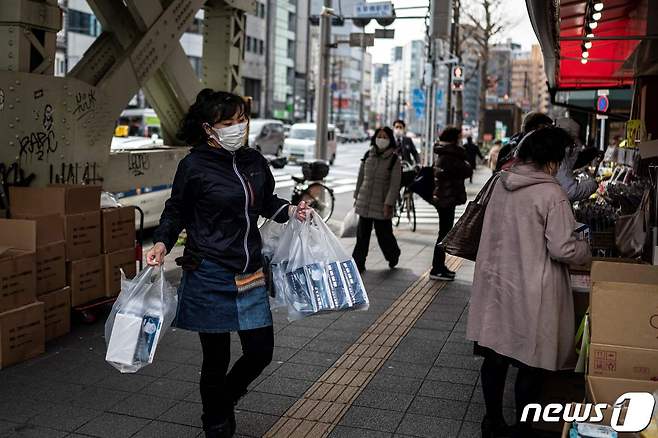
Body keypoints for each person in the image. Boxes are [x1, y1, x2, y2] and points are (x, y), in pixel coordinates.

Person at [146, 89, 309, 438]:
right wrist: (162, 241)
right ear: (209, 128)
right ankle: (215, 420)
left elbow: (266, 202)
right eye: (228, 122)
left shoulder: (253, 161)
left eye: (242, 120)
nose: (239, 127)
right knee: (216, 359)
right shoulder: (194, 166)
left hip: (249, 272)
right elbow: (176, 211)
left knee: (260, 352)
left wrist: (293, 210)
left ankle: (224, 401)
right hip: (209, 271)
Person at [466, 126, 591, 438]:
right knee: (531, 361)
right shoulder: (552, 194)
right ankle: (523, 427)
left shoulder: (500, 183)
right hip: (532, 287)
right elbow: (563, 248)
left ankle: (492, 422)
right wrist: (586, 249)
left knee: (496, 355)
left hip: (496, 282)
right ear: (553, 159)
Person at [353, 127, 402, 272]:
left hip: (382, 203)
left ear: (390, 140)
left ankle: (393, 255)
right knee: (362, 235)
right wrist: (357, 196)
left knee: (384, 235)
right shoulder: (368, 154)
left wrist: (389, 203)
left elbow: (394, 185)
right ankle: (358, 262)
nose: (381, 139)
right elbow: (361, 177)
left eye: (384, 136)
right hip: (365, 201)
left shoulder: (394, 160)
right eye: (379, 136)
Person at [430, 126, 472, 281]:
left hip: (444, 198)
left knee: (444, 233)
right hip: (446, 199)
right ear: (454, 139)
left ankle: (439, 266)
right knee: (444, 234)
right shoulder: (450, 155)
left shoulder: (444, 153)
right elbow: (467, 170)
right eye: (459, 137)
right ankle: (437, 268)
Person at [555, 117, 599, 202]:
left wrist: (592, 153)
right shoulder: (558, 154)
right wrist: (593, 184)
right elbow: (571, 192)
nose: (574, 145)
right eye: (573, 142)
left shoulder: (561, 151)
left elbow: (574, 162)